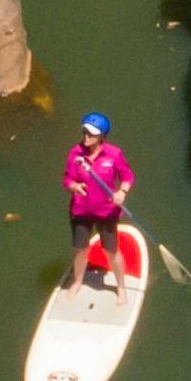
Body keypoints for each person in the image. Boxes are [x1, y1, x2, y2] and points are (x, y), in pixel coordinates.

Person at [59, 114, 137, 286]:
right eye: (84, 131)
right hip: (81, 211)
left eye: (91, 134)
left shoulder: (114, 154)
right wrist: (74, 186)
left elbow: (127, 176)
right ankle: (77, 283)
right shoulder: (75, 153)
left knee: (111, 251)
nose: (86, 136)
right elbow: (67, 179)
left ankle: (121, 288)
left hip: (106, 212)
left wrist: (122, 192)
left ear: (101, 136)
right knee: (81, 250)